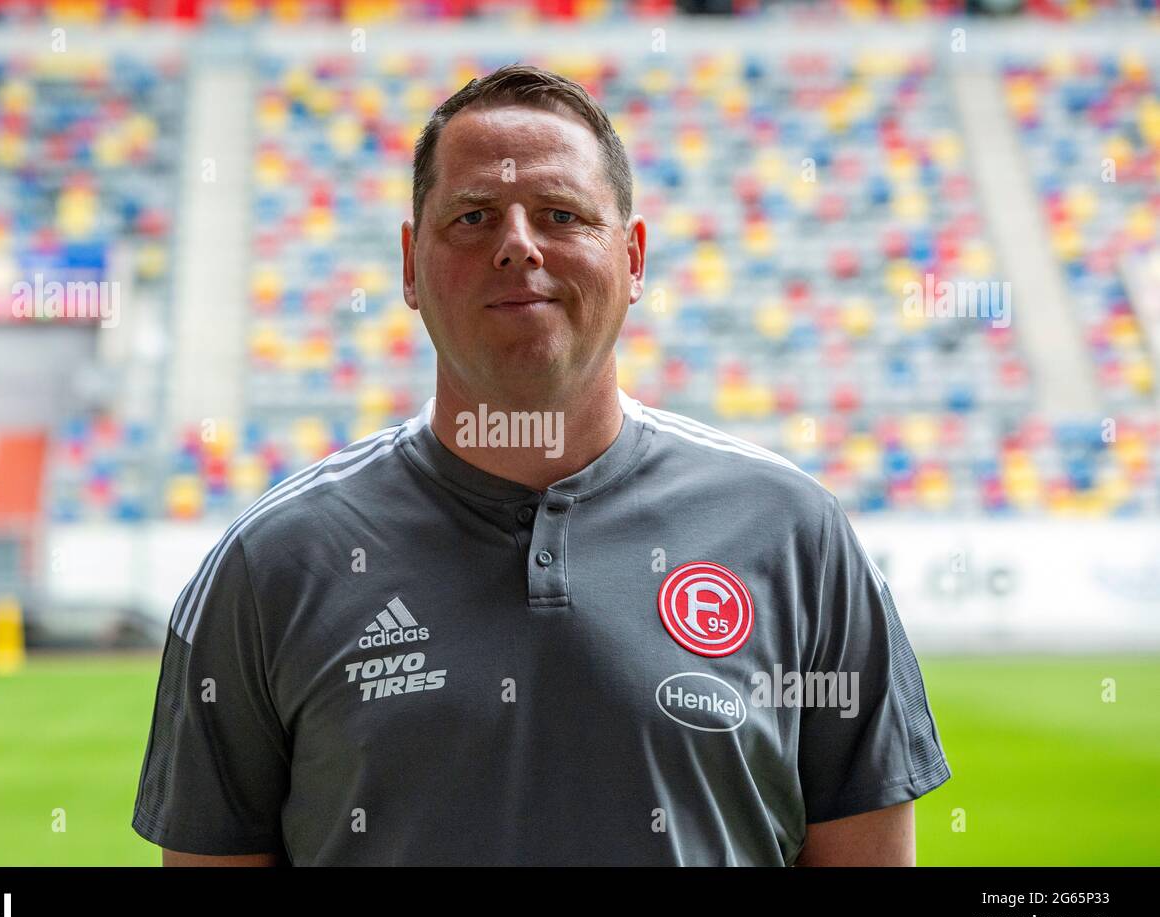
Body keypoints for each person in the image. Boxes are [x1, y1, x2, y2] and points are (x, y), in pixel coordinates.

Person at [132, 63, 951, 866]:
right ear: (411, 264)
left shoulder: (795, 535)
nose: (518, 245)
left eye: (561, 215)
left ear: (633, 259)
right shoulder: (268, 565)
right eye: (475, 217)